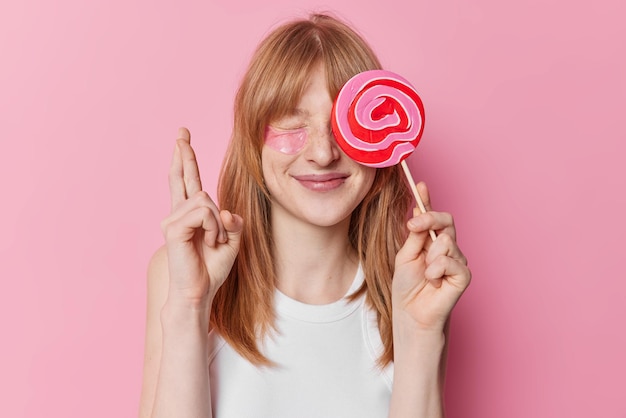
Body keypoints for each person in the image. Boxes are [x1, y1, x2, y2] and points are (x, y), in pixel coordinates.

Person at [139, 12, 471, 418]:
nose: (322, 152)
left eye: (344, 127)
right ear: (252, 142)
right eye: (292, 124)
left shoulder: (411, 287)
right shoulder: (182, 274)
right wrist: (190, 304)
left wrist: (419, 334)